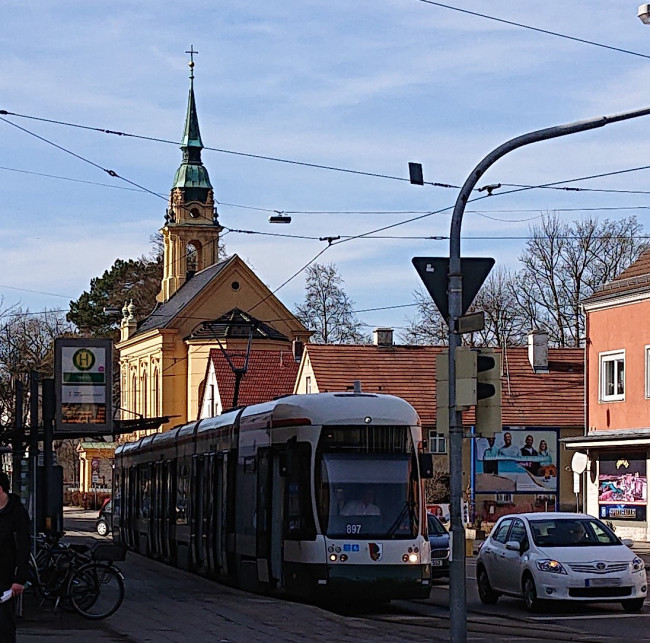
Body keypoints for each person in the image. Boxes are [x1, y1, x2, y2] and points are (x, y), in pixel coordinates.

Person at [0, 472, 30, 643]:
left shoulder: (17, 513)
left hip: (6, 578)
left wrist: (20, 579)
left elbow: (24, 547)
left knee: (4, 625)